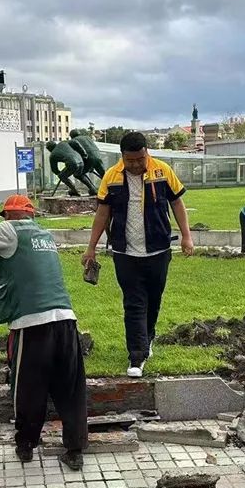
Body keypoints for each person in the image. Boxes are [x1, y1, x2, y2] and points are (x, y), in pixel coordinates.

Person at [0, 193, 87, 470]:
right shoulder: (43, 236)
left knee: (28, 389)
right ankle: (75, 450)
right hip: (66, 321)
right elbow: (18, 273)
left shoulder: (10, 229)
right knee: (70, 390)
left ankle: (26, 444)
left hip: (32, 326)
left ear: (9, 215)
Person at [82, 131, 194, 377]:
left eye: (139, 159)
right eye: (129, 160)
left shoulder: (162, 171)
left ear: (147, 153)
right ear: (122, 157)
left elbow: (177, 203)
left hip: (158, 250)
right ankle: (136, 356)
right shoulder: (111, 177)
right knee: (134, 303)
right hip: (125, 252)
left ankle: (148, 338)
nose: (134, 165)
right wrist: (91, 247)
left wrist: (186, 235)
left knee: (153, 301)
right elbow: (102, 213)